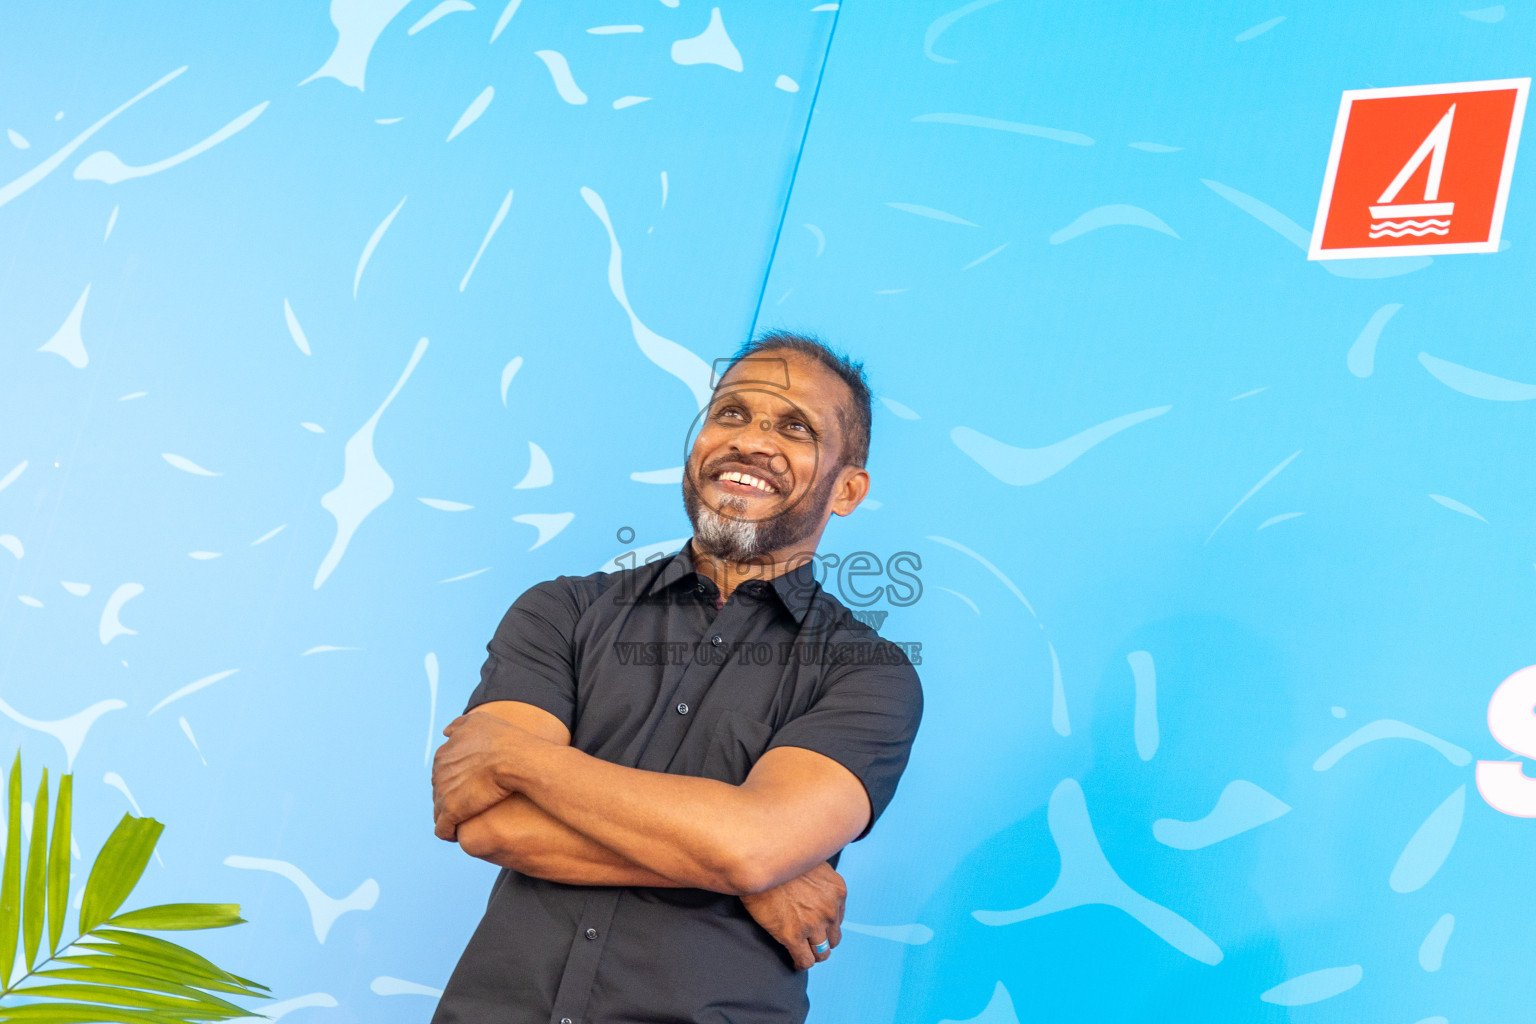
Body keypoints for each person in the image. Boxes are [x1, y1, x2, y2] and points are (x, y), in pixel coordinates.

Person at [429, 331, 924, 1024]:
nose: (751, 440)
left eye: (794, 427)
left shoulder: (868, 674)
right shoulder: (561, 612)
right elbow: (487, 824)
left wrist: (519, 759)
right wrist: (743, 877)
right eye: (731, 413)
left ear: (847, 490)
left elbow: (751, 845)